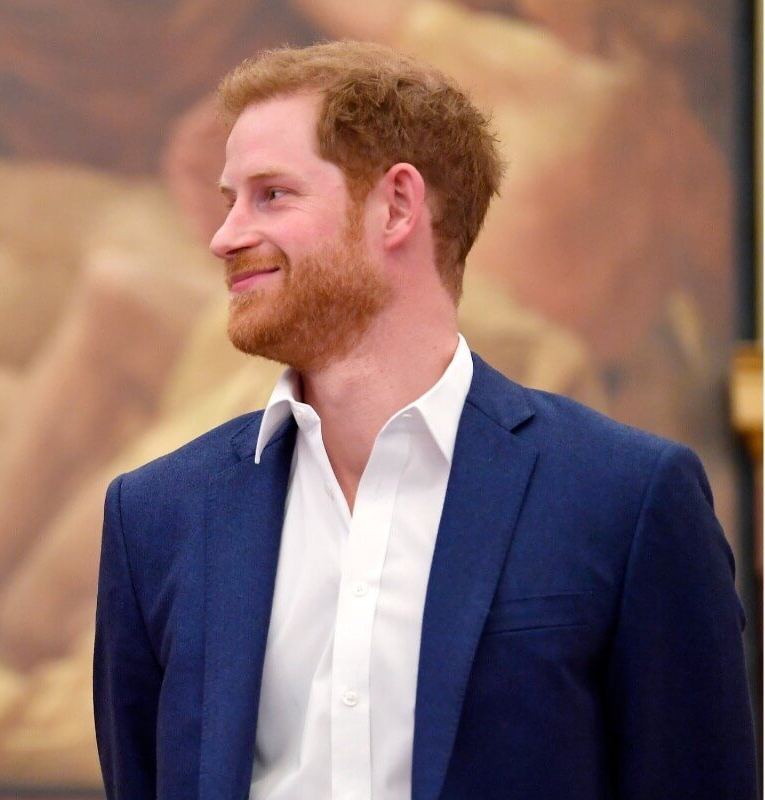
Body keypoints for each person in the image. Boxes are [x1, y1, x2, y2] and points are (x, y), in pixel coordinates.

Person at [93, 40, 755, 800]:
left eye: (271, 194)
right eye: (229, 199)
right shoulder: (157, 516)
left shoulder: (628, 498)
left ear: (398, 206)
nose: (226, 235)